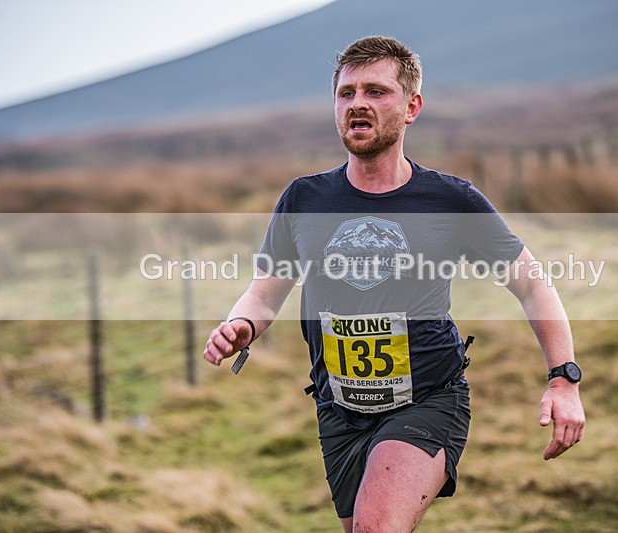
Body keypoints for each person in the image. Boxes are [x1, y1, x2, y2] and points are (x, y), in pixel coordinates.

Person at [203, 36, 585, 533]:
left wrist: (564, 379)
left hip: (427, 401)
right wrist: (240, 326)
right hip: (338, 411)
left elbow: (533, 285)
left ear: (411, 107)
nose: (357, 103)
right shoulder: (305, 199)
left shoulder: (449, 200)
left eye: (376, 91)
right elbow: (263, 293)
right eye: (346, 93)